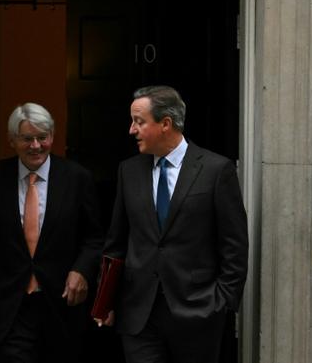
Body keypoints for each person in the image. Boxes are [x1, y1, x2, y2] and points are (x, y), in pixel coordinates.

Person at [100, 85, 248, 363]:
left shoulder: (217, 170)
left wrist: (222, 301)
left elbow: (235, 245)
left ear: (165, 124)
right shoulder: (128, 171)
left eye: (139, 121)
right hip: (138, 314)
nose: (132, 130)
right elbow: (116, 241)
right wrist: (105, 299)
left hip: (197, 312)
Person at [0, 102, 103, 363]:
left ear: (52, 137)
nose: (36, 146)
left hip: (61, 305)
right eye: (27, 139)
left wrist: (82, 270)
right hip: (10, 306)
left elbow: (95, 237)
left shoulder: (77, 178)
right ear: (12, 140)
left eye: (42, 138)